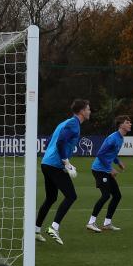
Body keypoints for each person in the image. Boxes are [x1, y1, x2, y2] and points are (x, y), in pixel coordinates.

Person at [35, 99, 91, 245]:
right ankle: (54, 227)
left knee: (51, 198)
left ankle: (35, 230)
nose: (90, 111)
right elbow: (60, 142)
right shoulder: (73, 124)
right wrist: (65, 162)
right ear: (82, 111)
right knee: (71, 196)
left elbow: (56, 142)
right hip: (54, 164)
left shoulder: (66, 122)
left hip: (47, 163)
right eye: (88, 109)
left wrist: (67, 163)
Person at [87, 116, 131, 232]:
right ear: (121, 125)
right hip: (99, 170)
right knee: (106, 195)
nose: (130, 124)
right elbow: (100, 154)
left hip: (105, 170)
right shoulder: (113, 138)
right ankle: (91, 222)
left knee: (117, 196)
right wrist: (110, 168)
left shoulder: (121, 138)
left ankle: (107, 223)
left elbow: (112, 154)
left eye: (129, 122)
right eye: (127, 122)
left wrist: (118, 162)